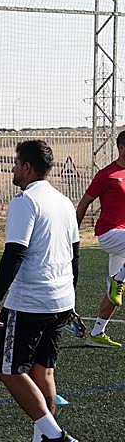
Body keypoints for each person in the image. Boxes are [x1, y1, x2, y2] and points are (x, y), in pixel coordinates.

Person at [0, 140, 80, 442]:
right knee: (43, 370)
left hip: (30, 301)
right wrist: (72, 295)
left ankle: (53, 435)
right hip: (61, 298)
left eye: (16, 164)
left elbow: (15, 253)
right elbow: (75, 253)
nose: (13, 169)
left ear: (26, 167)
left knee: (9, 370)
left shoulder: (25, 201)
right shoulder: (64, 202)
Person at [73, 128, 125, 348]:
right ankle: (118, 280)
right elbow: (84, 202)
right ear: (122, 148)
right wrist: (73, 234)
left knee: (114, 295)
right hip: (109, 233)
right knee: (118, 285)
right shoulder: (106, 175)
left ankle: (97, 332)